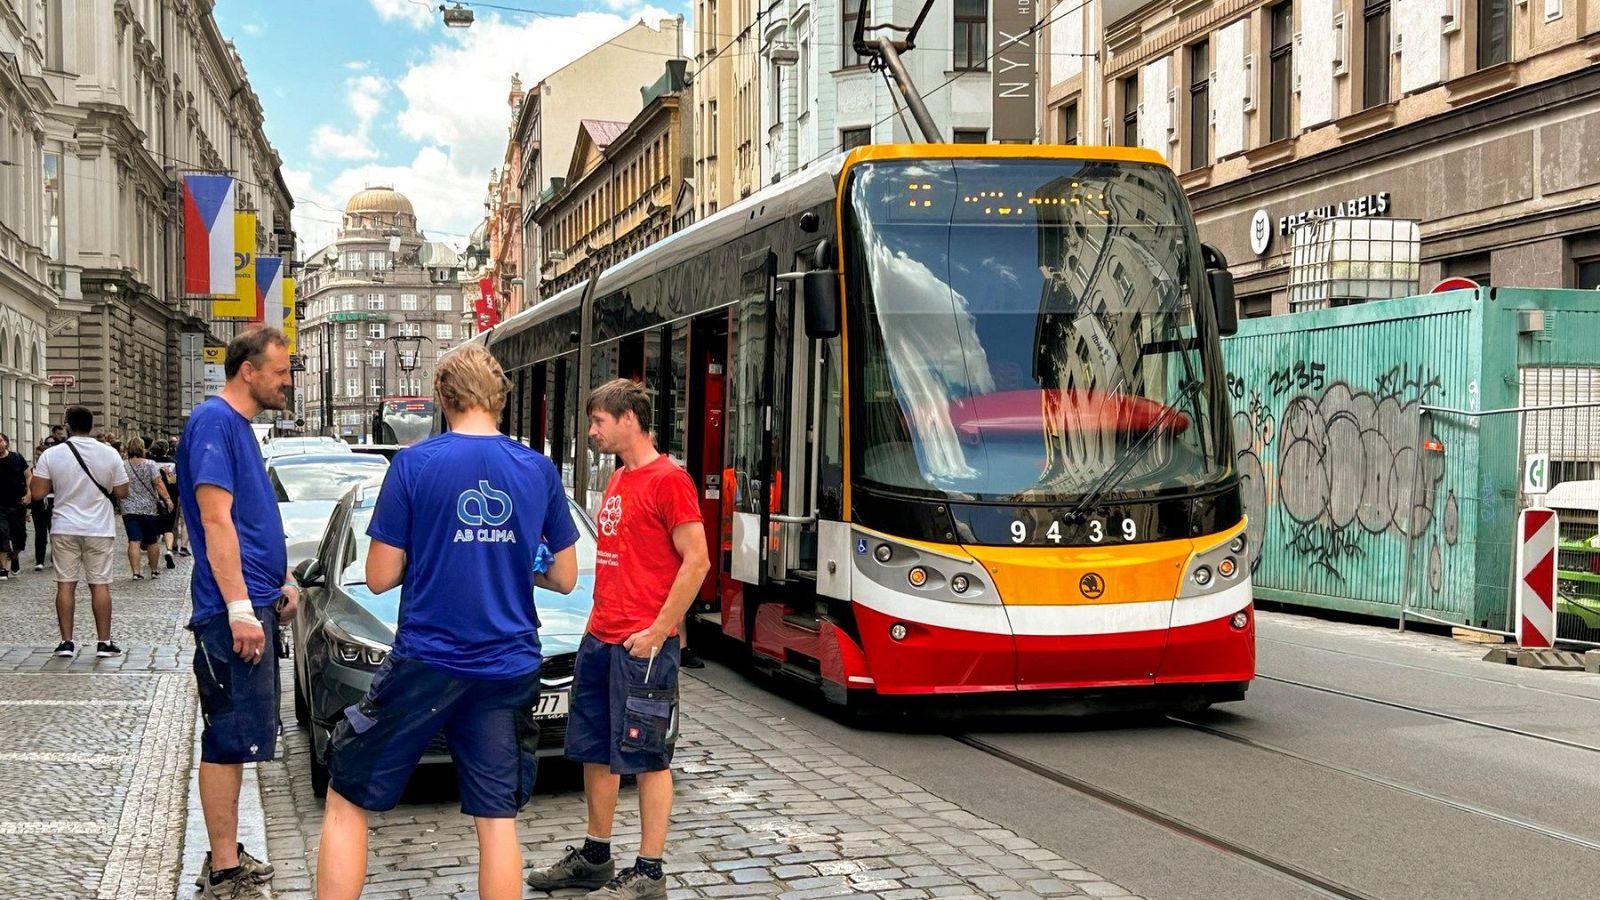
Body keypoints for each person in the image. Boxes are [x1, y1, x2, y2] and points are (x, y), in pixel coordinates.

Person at [317, 343, 581, 900]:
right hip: (509, 662)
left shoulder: (414, 465)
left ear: (442, 398)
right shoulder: (537, 469)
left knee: (347, 793)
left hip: (427, 661)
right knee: (497, 818)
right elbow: (564, 577)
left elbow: (382, 575)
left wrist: (439, 551)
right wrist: (506, 557)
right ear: (500, 399)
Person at [526, 379, 710, 900]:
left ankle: (649, 871)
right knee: (593, 751)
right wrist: (592, 624)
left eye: (599, 421)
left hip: (643, 648)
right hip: (602, 638)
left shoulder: (669, 480)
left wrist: (658, 630)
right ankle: (595, 855)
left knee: (649, 756)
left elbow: (697, 561)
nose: (592, 431)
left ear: (629, 418)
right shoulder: (620, 479)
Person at [178, 327, 298, 900]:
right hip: (230, 615)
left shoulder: (239, 429)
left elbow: (251, 519)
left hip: (252, 601)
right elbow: (215, 520)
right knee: (226, 737)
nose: (288, 379)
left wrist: (283, 578)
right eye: (281, 370)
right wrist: (240, 608)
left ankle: (226, 856)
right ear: (247, 370)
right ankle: (224, 870)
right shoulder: (214, 423)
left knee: (240, 736)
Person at [30, 407, 130, 659]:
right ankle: (104, 642)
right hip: (99, 527)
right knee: (100, 584)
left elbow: (38, 492)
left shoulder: (52, 455)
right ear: (92, 425)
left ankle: (66, 642)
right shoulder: (110, 453)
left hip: (64, 525)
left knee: (65, 584)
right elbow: (122, 492)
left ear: (67, 425)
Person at [120, 438, 171, 580]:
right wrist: (167, 499)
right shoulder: (150, 464)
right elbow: (158, 483)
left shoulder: (123, 465)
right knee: (152, 540)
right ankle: (154, 570)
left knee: (134, 540)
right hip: (149, 507)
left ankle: (136, 572)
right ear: (143, 448)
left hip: (129, 507)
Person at [0, 433, 30, 579]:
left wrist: (29, 494)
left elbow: (28, 476)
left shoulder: (16, 458)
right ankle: (2, 568)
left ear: (6, 442)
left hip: (18, 503)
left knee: (19, 536)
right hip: (0, 505)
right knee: (2, 535)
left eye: (0, 441)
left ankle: (15, 556)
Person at [149, 439, 180, 568]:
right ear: (167, 449)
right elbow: (175, 481)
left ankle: (152, 558)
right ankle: (169, 549)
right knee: (168, 527)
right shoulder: (173, 463)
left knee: (154, 530)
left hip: (154, 498)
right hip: (170, 498)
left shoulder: (150, 463)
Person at [30, 438, 55, 572]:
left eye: (40, 456)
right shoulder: (32, 470)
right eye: (36, 455)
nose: (37, 458)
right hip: (37, 503)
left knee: (54, 532)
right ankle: (39, 560)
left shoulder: (53, 470)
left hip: (52, 501)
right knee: (40, 532)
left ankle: (54, 558)